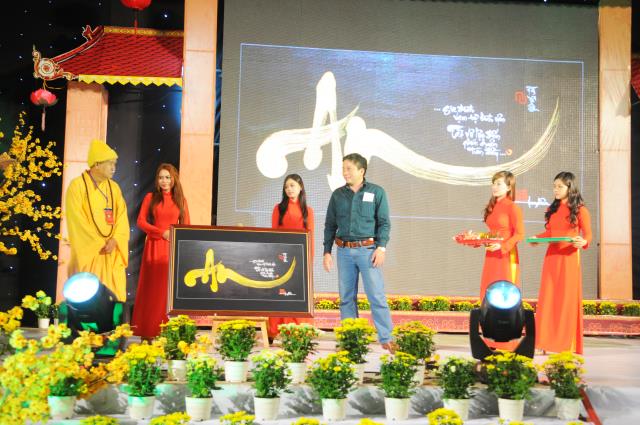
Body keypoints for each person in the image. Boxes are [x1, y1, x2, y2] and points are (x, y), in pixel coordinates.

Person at [323, 153, 394, 351]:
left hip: (368, 251)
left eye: (349, 169)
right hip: (344, 251)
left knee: (376, 295)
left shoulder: (377, 192)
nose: (344, 172)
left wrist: (381, 248)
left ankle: (386, 337)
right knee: (346, 298)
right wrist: (327, 251)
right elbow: (330, 225)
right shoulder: (337, 195)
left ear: (361, 171)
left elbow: (384, 223)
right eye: (343, 169)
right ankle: (350, 339)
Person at [531, 172, 592, 354]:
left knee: (566, 300)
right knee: (548, 298)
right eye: (554, 186)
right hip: (552, 257)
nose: (556, 190)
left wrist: (583, 242)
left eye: (560, 187)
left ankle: (564, 344)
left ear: (569, 188)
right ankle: (545, 342)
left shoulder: (580, 209)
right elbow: (550, 233)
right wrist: (537, 238)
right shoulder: (552, 209)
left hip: (569, 258)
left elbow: (588, 234)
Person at [66, 139, 129, 301]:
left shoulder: (114, 188)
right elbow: (76, 220)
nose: (114, 168)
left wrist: (115, 240)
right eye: (110, 163)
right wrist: (98, 243)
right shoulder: (77, 186)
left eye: (115, 164)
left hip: (111, 251)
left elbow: (122, 217)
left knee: (113, 300)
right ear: (97, 164)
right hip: (90, 252)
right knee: (87, 299)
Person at [132, 164, 190, 339]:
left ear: (174, 179)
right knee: (151, 290)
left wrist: (177, 241)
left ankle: (166, 333)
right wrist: (161, 232)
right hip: (154, 246)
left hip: (171, 248)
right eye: (161, 177)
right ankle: (148, 332)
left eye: (167, 177)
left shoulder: (181, 200)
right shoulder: (150, 197)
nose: (164, 181)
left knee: (167, 291)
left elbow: (186, 226)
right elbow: (141, 222)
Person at [267, 174, 315, 340]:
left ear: (300, 187)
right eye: (286, 186)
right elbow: (273, 234)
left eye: (292, 185)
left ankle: (296, 330)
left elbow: (310, 236)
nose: (289, 189)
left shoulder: (308, 211)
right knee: (279, 293)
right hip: (281, 258)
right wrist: (274, 258)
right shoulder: (278, 208)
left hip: (299, 259)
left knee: (296, 295)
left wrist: (309, 260)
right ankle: (275, 330)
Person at [479, 170, 525, 300]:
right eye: (493, 183)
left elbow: (520, 234)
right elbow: (493, 233)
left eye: (499, 184)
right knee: (489, 288)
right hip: (491, 253)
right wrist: (477, 239)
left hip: (506, 254)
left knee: (505, 290)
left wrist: (502, 246)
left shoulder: (513, 207)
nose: (494, 187)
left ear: (509, 187)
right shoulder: (492, 206)